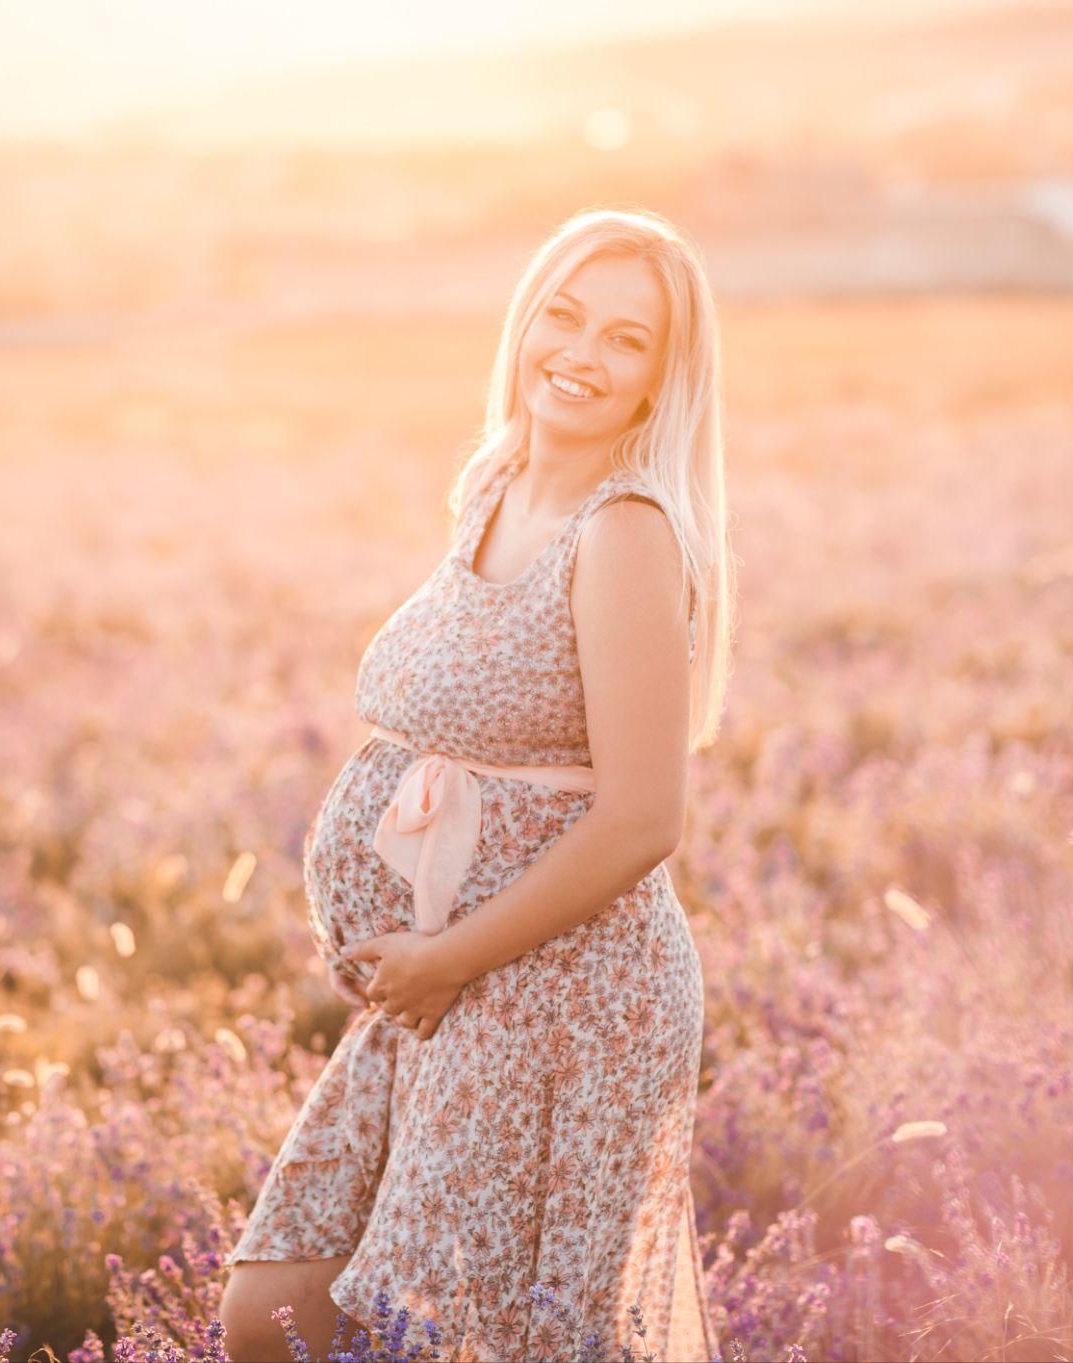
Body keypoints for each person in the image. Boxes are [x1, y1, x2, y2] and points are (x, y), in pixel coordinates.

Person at [217, 206, 738, 1362]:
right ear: (522, 320)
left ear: (660, 379)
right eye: (563, 314)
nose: (579, 353)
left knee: (450, 1334)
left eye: (624, 340)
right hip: (449, 981)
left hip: (563, 995)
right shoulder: (494, 485)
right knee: (276, 1310)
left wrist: (445, 957)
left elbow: (644, 817)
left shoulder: (624, 534)